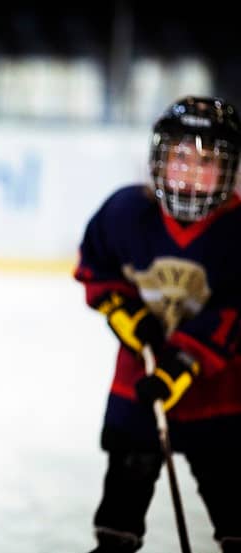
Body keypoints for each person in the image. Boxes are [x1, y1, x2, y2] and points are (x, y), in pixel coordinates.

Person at [74, 96, 241, 553]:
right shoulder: (127, 213)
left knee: (233, 500)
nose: (191, 170)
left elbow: (230, 317)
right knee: (122, 503)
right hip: (139, 382)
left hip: (221, 396)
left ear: (228, 168)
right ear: (159, 159)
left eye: (207, 160)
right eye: (181, 156)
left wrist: (178, 369)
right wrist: (128, 318)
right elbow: (97, 271)